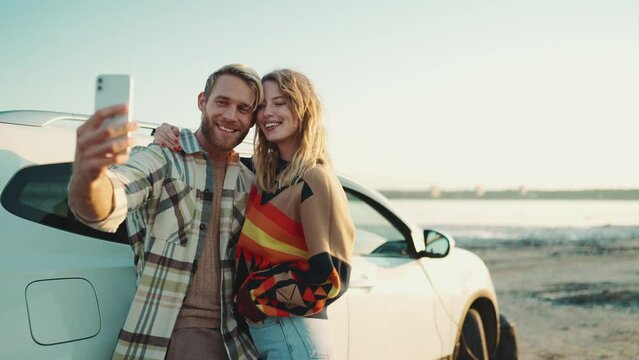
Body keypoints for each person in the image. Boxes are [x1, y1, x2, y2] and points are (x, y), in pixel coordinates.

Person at [153, 69, 355, 359]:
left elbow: (332, 277)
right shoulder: (264, 176)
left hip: (294, 333)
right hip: (262, 332)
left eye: (281, 102)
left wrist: (253, 299)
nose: (268, 113)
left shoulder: (314, 179)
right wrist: (166, 133)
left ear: (304, 108)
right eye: (262, 105)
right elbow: (211, 154)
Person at [68, 64, 264, 360]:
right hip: (171, 338)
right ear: (202, 101)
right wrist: (89, 174)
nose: (230, 116)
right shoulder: (163, 157)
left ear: (252, 119)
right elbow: (113, 198)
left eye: (243, 108)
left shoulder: (249, 182)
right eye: (222, 102)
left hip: (237, 342)